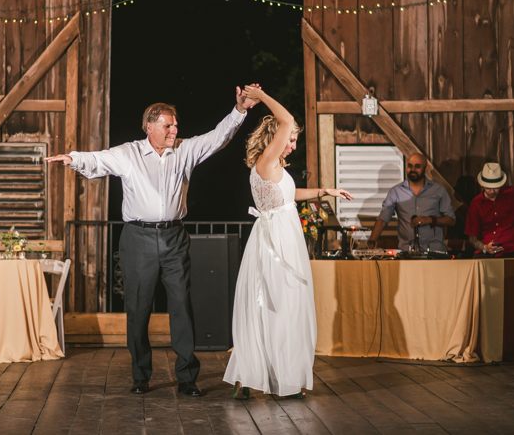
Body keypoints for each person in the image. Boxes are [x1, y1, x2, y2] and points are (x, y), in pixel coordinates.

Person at [46, 87, 259, 397]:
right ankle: (141, 376)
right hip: (138, 238)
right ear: (149, 127)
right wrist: (72, 158)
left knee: (181, 308)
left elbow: (218, 137)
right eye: (167, 125)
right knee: (138, 308)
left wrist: (240, 110)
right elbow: (99, 160)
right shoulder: (129, 154)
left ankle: (187, 378)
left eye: (175, 125)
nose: (174, 130)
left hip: (174, 237)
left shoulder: (185, 150)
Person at [224, 86, 353, 400]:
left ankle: (279, 376)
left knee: (282, 305)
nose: (293, 145)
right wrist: (262, 96)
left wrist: (325, 191)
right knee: (277, 304)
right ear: (275, 138)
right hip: (277, 240)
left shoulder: (274, 169)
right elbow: (288, 119)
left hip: (281, 233)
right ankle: (262, 376)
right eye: (291, 139)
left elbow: (288, 196)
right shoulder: (268, 159)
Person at [367, 153, 456, 252]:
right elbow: (383, 219)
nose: (413, 169)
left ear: (426, 169)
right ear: (406, 167)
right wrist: (372, 241)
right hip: (407, 252)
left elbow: (451, 220)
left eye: (417, 166)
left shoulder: (438, 190)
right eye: (410, 166)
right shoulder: (395, 191)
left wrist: (431, 220)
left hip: (434, 252)